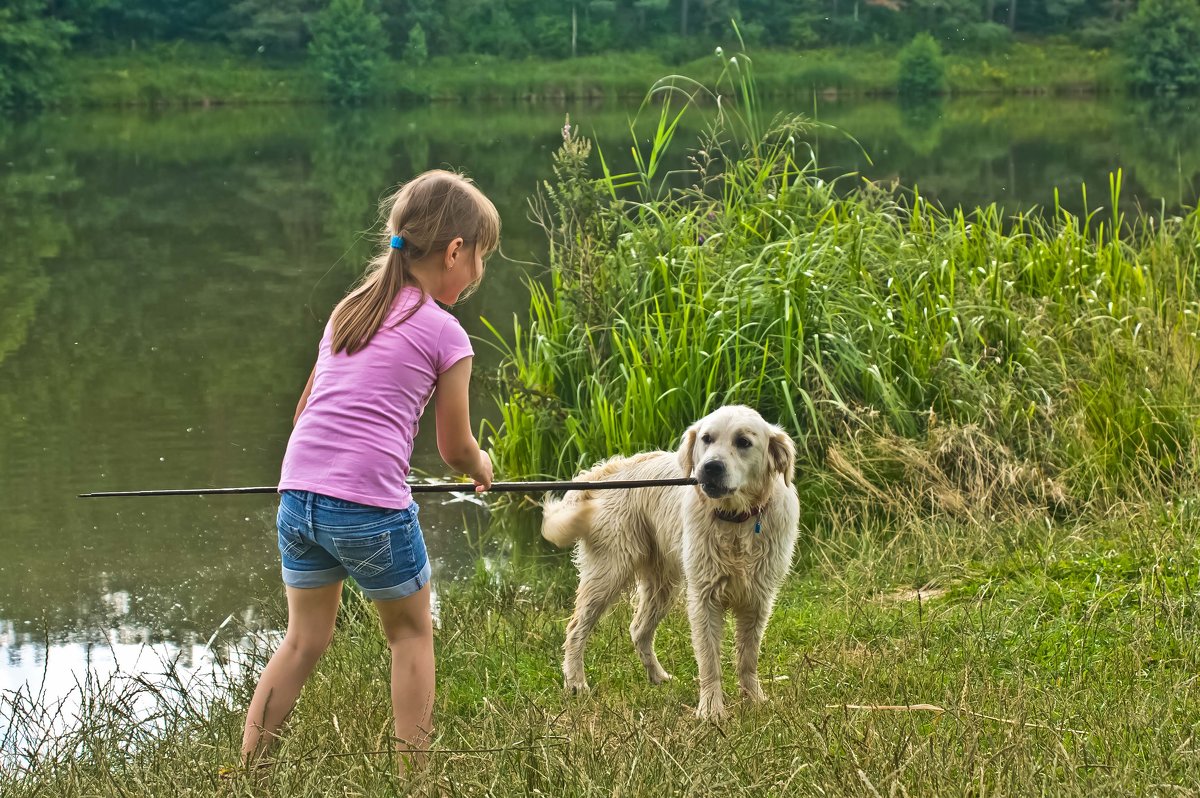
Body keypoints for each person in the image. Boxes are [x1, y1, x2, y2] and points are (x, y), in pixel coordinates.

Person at [241, 169, 500, 767]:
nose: (479, 272)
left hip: (296, 498)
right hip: (368, 510)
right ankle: (415, 776)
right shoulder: (446, 333)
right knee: (410, 635)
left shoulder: (349, 310)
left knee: (304, 639)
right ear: (455, 251)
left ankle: (249, 768)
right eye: (480, 256)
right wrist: (482, 464)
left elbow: (308, 408)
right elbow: (454, 448)